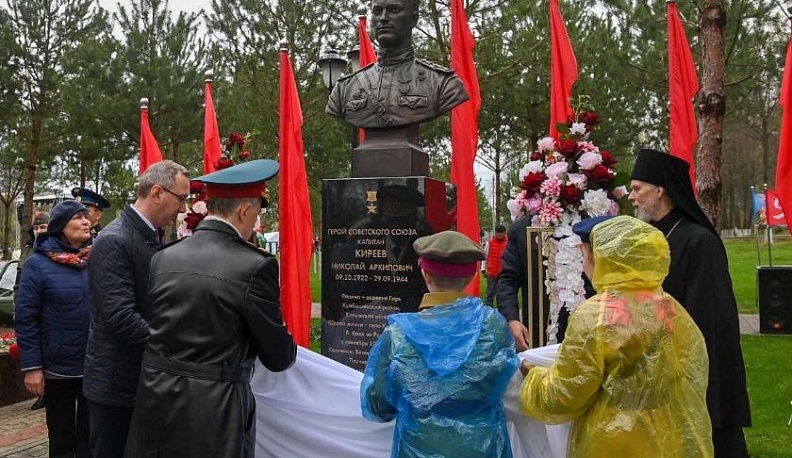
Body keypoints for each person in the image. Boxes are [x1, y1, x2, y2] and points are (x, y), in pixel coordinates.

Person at [124, 159, 297, 457]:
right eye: (258, 211)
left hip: (155, 399)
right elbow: (278, 357)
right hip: (215, 411)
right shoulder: (254, 266)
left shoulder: (164, 257)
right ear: (245, 210)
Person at [519, 215, 713, 457]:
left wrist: (531, 374)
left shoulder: (596, 316)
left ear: (598, 257)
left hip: (612, 440)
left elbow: (564, 395)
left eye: (586, 255)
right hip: (666, 435)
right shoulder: (670, 309)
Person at [629, 148, 751, 457]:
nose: (632, 197)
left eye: (637, 189)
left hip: (696, 361)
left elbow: (708, 317)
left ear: (660, 189)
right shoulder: (654, 236)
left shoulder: (699, 241)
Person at [361, 230, 519, 458]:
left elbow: (378, 405)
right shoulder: (494, 327)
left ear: (425, 274)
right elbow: (505, 383)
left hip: (416, 449)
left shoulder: (397, 335)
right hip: (484, 448)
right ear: (475, 275)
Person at [82, 160, 189, 458]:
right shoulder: (114, 241)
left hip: (143, 379)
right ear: (157, 192)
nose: (183, 209)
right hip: (117, 386)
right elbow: (121, 317)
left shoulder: (150, 236)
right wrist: (178, 344)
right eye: (181, 198)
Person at [15, 200, 94, 458]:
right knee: (61, 439)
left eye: (86, 217)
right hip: (57, 368)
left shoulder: (94, 259)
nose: (86, 222)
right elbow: (26, 318)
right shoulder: (37, 265)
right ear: (61, 227)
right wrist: (32, 367)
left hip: (93, 365)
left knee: (90, 437)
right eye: (78, 218)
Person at [326, 0, 468, 129]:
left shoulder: (442, 83)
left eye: (393, 10)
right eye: (377, 11)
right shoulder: (344, 90)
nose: (383, 18)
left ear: (414, 18)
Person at [483, 224, 508, 307]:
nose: (499, 234)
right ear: (495, 233)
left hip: (503, 273)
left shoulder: (508, 244)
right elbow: (485, 257)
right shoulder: (489, 243)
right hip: (491, 273)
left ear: (505, 233)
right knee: (489, 294)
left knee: (501, 295)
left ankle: (501, 313)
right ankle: (488, 313)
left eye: (501, 232)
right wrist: (483, 269)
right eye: (498, 232)